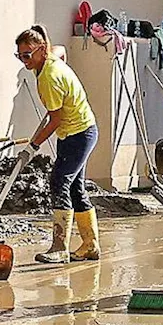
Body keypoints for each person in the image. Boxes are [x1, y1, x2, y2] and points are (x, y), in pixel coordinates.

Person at [17, 24, 101, 264]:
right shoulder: (50, 58)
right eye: (20, 55)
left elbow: (56, 120)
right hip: (76, 132)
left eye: (27, 55)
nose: (24, 61)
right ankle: (90, 245)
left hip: (79, 133)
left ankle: (59, 246)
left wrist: (32, 147)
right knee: (76, 188)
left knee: (59, 181)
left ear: (41, 50)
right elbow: (62, 50)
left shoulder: (49, 78)